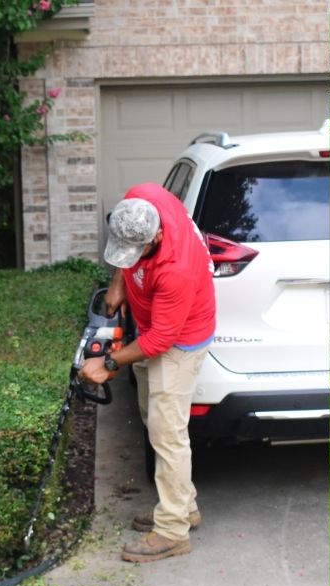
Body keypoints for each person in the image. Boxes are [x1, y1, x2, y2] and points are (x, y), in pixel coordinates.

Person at [79, 183, 216, 563]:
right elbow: (128, 257)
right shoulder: (144, 197)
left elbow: (159, 340)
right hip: (152, 327)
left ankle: (173, 531)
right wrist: (117, 284)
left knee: (167, 432)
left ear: (156, 235)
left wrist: (107, 364)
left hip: (180, 341)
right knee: (152, 416)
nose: (128, 258)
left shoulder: (177, 270)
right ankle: (183, 504)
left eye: (134, 253)